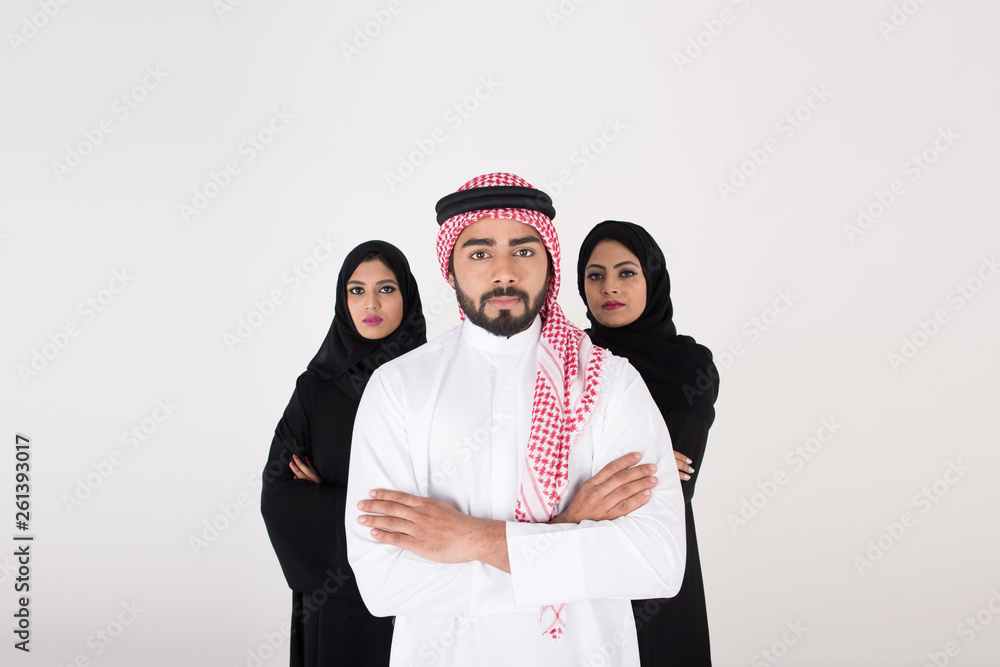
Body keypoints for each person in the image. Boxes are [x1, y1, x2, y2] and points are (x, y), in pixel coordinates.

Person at [345, 173, 687, 667]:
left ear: (549, 263)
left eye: (523, 251)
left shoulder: (611, 382)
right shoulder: (398, 388)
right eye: (480, 253)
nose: (503, 272)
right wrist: (566, 534)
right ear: (450, 269)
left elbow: (657, 561)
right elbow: (383, 583)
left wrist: (468, 539)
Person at [261, 240, 427, 667]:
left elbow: (453, 492)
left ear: (406, 296)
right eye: (357, 290)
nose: (370, 302)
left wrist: (334, 501)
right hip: (332, 594)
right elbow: (279, 496)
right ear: (342, 298)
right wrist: (390, 518)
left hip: (420, 588)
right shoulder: (315, 389)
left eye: (386, 289)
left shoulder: (433, 381)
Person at [577, 220, 720, 666]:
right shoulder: (569, 358)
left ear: (652, 278)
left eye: (626, 272)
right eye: (595, 275)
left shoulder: (689, 366)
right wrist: (633, 461)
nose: (609, 287)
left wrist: (593, 464)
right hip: (578, 546)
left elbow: (667, 485)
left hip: (658, 543)